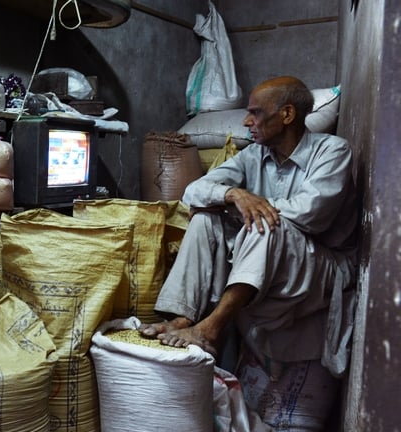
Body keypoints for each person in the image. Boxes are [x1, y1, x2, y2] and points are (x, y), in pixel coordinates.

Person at [139, 76, 358, 379]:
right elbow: (193, 192)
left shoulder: (333, 151)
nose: (246, 121)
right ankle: (181, 318)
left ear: (287, 115)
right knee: (205, 218)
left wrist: (253, 206)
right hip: (277, 253)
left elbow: (312, 214)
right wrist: (233, 194)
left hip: (326, 264)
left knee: (264, 223)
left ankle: (212, 328)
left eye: (255, 112)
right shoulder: (254, 154)